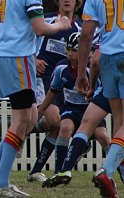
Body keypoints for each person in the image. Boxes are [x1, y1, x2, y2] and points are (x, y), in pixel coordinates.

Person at [0, 0, 71, 197]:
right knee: (21, 121)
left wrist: (4, 32)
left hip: (0, 55)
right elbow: (40, 28)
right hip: (18, 57)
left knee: (31, 116)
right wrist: (61, 25)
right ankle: (0, 184)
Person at [34, 32, 110, 187]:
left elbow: (104, 91)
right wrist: (41, 110)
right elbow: (53, 91)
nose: (70, 53)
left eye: (74, 50)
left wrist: (91, 94)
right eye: (68, 49)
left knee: (103, 136)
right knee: (65, 127)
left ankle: (109, 174)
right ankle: (58, 173)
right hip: (71, 109)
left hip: (91, 110)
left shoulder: (95, 68)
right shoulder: (61, 68)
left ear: (87, 52)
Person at [27, 0, 88, 182]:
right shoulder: (46, 21)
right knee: (55, 121)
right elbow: (24, 40)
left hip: (63, 81)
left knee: (57, 125)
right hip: (42, 78)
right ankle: (33, 124)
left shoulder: (79, 28)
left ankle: (36, 171)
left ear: (77, 2)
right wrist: (33, 59)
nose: (67, 0)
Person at [75, 0, 124, 196]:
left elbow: (85, 36)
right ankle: (107, 171)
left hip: (108, 59)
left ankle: (112, 181)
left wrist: (81, 74)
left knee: (119, 123)